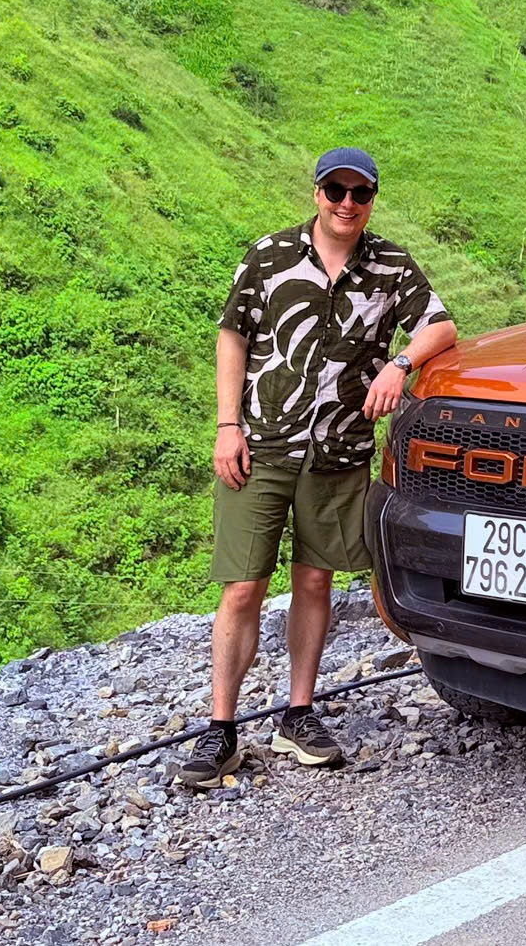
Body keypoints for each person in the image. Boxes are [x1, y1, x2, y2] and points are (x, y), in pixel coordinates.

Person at [178, 147, 456, 788]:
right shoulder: (269, 256)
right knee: (241, 586)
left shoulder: (390, 266)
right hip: (261, 446)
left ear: (372, 201)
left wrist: (399, 365)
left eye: (360, 194)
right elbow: (232, 337)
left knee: (314, 581)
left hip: (338, 450)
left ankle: (298, 714)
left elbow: (440, 326)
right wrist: (226, 426)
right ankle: (221, 728)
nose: (347, 204)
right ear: (317, 193)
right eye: (336, 191)